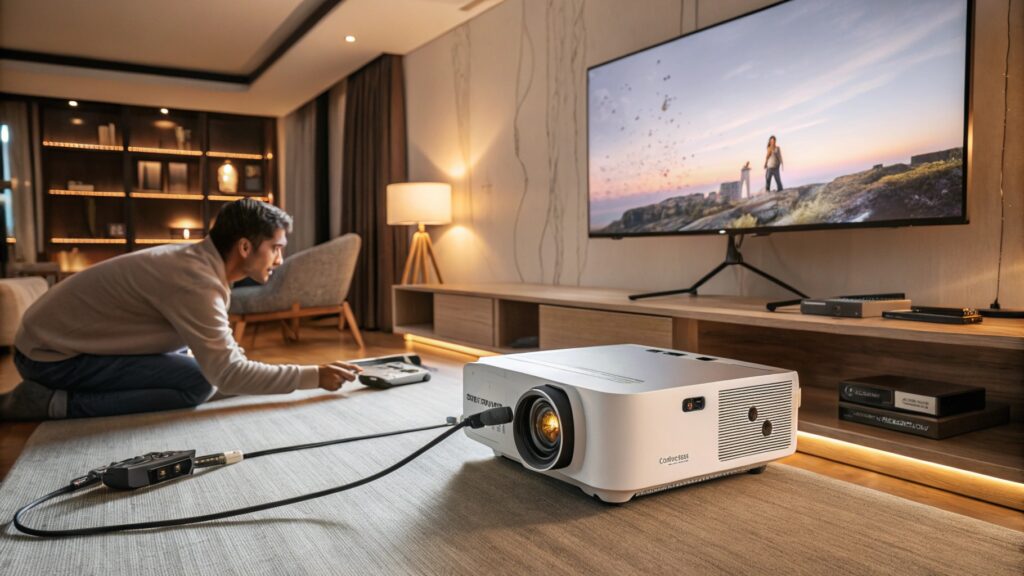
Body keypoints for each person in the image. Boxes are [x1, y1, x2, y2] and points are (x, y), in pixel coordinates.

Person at [0, 199, 361, 421]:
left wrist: (235, 370)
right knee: (197, 382)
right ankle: (52, 403)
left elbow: (222, 357)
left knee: (200, 370)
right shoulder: (195, 281)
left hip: (52, 343)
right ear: (246, 247)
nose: (280, 259)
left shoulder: (200, 266)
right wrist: (311, 376)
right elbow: (228, 374)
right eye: (277, 248)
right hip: (50, 357)